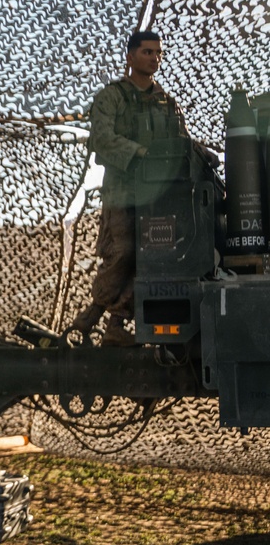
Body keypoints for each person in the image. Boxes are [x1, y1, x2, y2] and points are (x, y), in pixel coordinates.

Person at [73, 30, 199, 345]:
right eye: (147, 52)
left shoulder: (167, 103)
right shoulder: (112, 96)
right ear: (130, 57)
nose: (154, 58)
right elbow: (101, 138)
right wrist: (144, 156)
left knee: (149, 258)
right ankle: (91, 316)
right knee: (122, 252)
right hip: (122, 192)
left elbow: (180, 142)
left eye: (158, 53)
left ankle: (115, 324)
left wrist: (198, 152)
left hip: (159, 199)